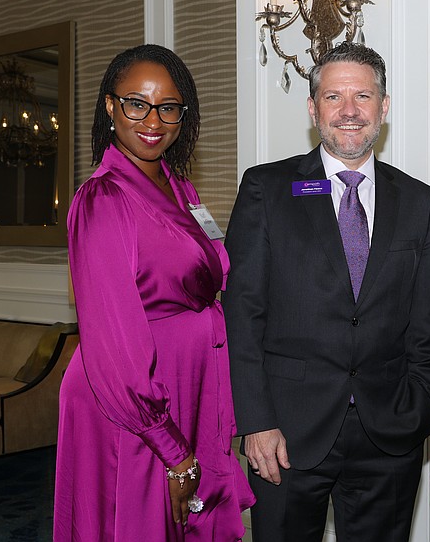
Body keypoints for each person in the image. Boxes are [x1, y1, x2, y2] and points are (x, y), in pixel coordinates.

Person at [223, 41, 430, 542]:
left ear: (383, 108)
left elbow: (427, 323)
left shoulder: (416, 199)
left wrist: (421, 411)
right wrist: (255, 421)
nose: (349, 111)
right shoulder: (266, 189)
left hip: (389, 433)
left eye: (363, 97)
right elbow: (242, 314)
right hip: (284, 435)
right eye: (333, 97)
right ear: (312, 108)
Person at [54, 44, 255, 541]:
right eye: (137, 103)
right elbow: (113, 341)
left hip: (184, 381)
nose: (153, 120)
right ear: (110, 106)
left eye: (169, 107)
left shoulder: (180, 189)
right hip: (131, 401)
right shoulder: (103, 199)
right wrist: (172, 447)